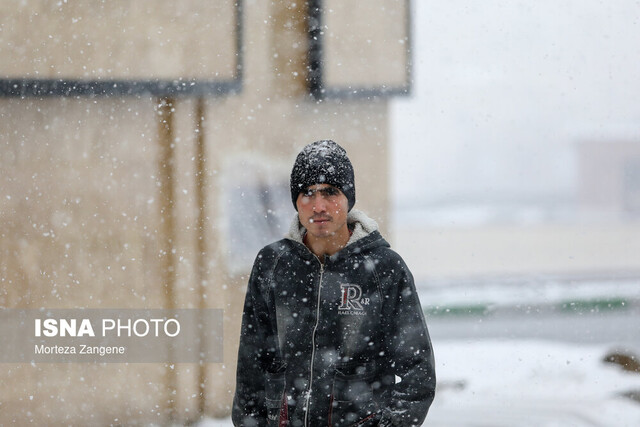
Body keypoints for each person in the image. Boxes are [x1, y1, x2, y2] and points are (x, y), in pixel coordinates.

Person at [232, 140, 436, 426]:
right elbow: (251, 366)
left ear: (348, 198)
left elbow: (418, 374)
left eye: (330, 192)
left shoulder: (383, 268)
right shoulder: (273, 264)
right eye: (308, 193)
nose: (319, 206)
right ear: (296, 201)